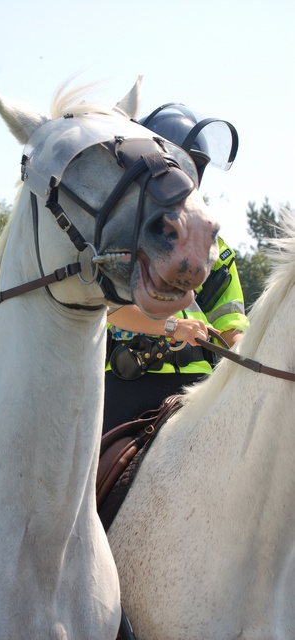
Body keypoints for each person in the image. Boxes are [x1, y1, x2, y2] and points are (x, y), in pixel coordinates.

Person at [103, 103, 249, 433]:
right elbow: (109, 311)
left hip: (201, 390)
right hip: (128, 388)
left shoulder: (218, 250)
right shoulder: (120, 240)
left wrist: (249, 353)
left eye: (192, 169)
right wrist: (173, 327)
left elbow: (230, 322)